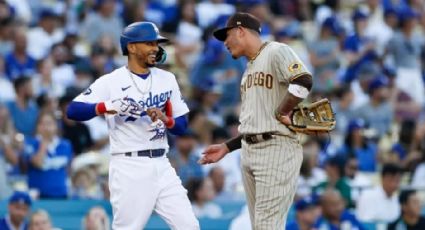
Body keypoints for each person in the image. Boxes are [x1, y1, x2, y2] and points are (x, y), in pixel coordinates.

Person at [66, 21, 199, 229]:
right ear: (131, 47)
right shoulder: (111, 81)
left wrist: (167, 119)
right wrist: (107, 106)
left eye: (156, 43)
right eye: (149, 43)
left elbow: (181, 126)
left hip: (162, 163)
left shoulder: (167, 79)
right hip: (129, 165)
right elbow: (73, 110)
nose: (155, 48)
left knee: (189, 226)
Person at [199, 12, 313, 229]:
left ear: (241, 31)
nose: (225, 42)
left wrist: (283, 110)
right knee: (259, 226)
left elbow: (303, 80)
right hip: (249, 150)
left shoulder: (276, 51)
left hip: (276, 148)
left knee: (266, 226)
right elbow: (256, 121)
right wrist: (227, 146)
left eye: (227, 36)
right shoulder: (248, 69)